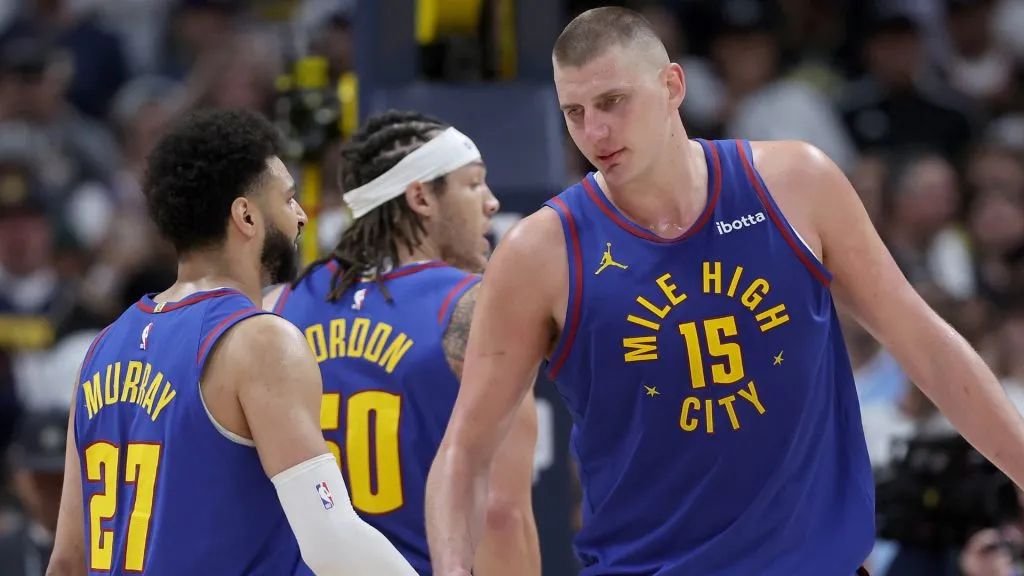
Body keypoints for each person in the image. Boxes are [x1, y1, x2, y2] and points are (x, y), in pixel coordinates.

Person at [424, 7, 1024, 576]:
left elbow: (925, 345)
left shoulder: (796, 182)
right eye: (574, 112)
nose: (595, 131)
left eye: (612, 102)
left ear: (673, 86)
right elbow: (465, 452)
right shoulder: (539, 252)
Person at [46, 109, 416, 576]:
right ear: (245, 215)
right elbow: (333, 539)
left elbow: (66, 562)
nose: (301, 216)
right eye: (288, 199)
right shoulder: (258, 341)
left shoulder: (101, 350)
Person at [265, 109, 540, 576]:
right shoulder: (476, 308)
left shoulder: (276, 310)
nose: (491, 203)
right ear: (421, 197)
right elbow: (500, 514)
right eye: (473, 184)